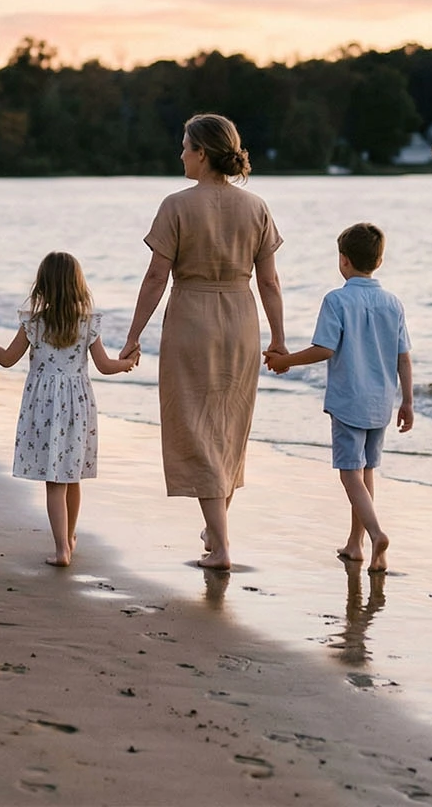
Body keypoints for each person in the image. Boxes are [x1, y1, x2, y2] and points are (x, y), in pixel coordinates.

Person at [120, 113, 285, 571]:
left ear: (203, 153)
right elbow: (270, 283)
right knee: (228, 426)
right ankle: (216, 534)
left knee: (195, 425)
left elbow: (156, 277)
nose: (181, 154)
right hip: (240, 318)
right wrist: (279, 340)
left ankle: (223, 545)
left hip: (191, 316)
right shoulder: (256, 208)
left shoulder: (176, 205)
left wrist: (133, 336)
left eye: (185, 146)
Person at [0, 251, 137, 566]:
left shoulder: (34, 323)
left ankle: (62, 548)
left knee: (55, 480)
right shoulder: (87, 323)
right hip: (78, 404)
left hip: (45, 406)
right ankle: (68, 540)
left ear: (43, 286)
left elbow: (7, 359)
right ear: (78, 285)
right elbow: (104, 366)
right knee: (71, 476)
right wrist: (126, 363)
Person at [265, 222, 413, 573]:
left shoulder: (337, 299)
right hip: (381, 401)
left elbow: (324, 349)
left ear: (343, 261)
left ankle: (376, 534)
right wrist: (407, 401)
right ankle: (355, 543)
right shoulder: (393, 303)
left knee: (350, 473)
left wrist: (285, 360)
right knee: (368, 472)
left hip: (349, 400)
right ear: (379, 260)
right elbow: (403, 356)